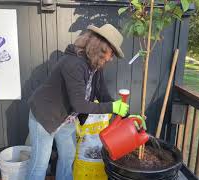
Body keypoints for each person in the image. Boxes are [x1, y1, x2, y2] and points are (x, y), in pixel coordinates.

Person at [26, 24, 143, 180]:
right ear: (102, 48)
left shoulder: (95, 66)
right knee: (40, 164)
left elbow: (103, 95)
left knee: (68, 157)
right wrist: (112, 107)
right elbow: (80, 104)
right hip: (45, 116)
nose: (111, 58)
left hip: (66, 117)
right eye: (112, 52)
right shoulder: (73, 64)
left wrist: (125, 114)